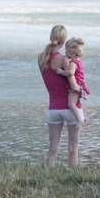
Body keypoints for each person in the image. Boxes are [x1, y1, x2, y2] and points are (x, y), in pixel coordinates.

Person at [38, 25, 82, 167]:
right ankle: (73, 178)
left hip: (53, 109)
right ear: (64, 40)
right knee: (72, 149)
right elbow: (74, 86)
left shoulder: (41, 58)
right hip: (69, 108)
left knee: (52, 148)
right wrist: (82, 90)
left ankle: (48, 175)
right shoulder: (64, 60)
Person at [55, 37, 90, 123]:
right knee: (76, 103)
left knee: (71, 104)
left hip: (76, 85)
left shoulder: (73, 62)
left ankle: (80, 119)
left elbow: (70, 73)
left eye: (66, 49)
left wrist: (61, 72)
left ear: (71, 51)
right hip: (80, 84)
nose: (65, 52)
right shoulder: (78, 61)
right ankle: (81, 117)